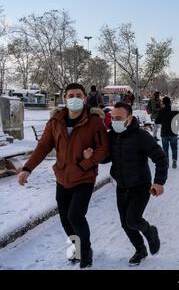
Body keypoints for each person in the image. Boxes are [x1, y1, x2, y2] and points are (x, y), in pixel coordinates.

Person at [17, 83, 109, 269]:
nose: (74, 98)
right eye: (70, 95)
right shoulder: (55, 122)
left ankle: (86, 252)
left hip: (84, 177)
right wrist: (27, 168)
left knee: (75, 216)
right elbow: (43, 146)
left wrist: (86, 163)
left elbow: (103, 149)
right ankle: (76, 246)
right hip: (62, 177)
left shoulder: (94, 122)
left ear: (84, 98)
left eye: (78, 95)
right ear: (65, 98)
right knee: (65, 218)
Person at [84, 102, 168, 266]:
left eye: (119, 118)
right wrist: (93, 155)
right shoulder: (111, 136)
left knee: (133, 220)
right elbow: (107, 157)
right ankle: (140, 250)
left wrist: (159, 182)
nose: (114, 121)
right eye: (113, 118)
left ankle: (150, 231)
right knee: (125, 224)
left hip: (141, 186)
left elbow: (160, 158)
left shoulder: (141, 136)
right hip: (121, 186)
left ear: (129, 118)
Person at [156, 97, 179, 169]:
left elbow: (156, 121)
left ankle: (166, 162)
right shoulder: (174, 110)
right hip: (173, 132)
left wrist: (162, 120)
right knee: (174, 148)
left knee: (165, 149)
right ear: (170, 102)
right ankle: (174, 161)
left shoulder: (161, 111)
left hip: (164, 132)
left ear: (163, 103)